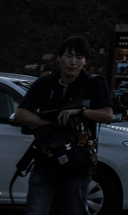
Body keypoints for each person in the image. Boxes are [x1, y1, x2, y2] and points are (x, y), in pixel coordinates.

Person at [14, 36, 114, 215]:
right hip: (46, 160)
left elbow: (108, 115)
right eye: (69, 56)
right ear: (59, 57)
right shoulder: (45, 83)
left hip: (79, 161)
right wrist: (48, 123)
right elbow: (21, 114)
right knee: (35, 210)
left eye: (79, 58)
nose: (73, 62)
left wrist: (80, 111)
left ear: (85, 61)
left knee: (73, 210)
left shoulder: (94, 83)